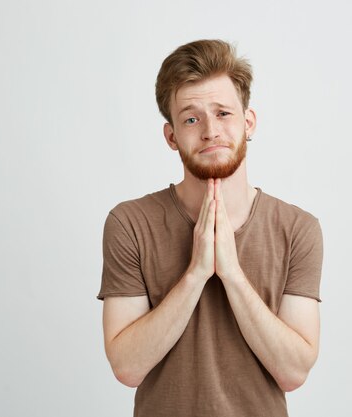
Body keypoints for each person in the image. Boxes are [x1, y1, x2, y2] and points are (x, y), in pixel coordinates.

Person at [97, 39, 324, 417]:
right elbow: (127, 367)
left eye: (223, 113)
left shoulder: (297, 229)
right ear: (171, 136)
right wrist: (196, 273)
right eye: (191, 118)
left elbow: (294, 372)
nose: (210, 131)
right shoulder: (130, 224)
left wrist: (232, 274)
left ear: (248, 122)